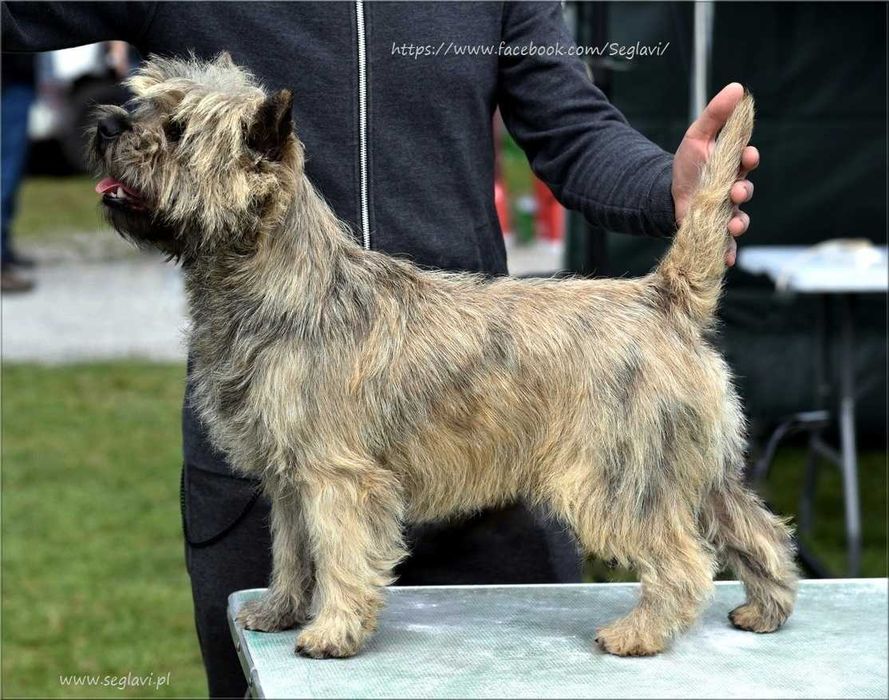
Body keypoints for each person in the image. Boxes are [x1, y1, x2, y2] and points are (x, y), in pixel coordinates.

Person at [1, 3, 758, 696]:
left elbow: (572, 126)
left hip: (492, 447)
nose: (124, 135)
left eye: (169, 135)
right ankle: (302, 586)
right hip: (252, 498)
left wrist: (667, 185)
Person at [1, 52, 36, 293]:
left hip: (16, 76)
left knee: (10, 172)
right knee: (5, 173)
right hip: (9, 79)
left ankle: (5, 248)